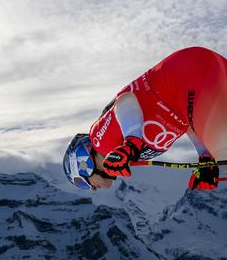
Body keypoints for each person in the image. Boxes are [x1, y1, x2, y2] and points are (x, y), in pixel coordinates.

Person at [64, 46, 227, 191]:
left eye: (81, 183)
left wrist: (131, 144)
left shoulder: (102, 142)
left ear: (83, 164)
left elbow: (125, 101)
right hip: (201, 74)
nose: (92, 189)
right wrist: (205, 155)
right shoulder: (125, 156)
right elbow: (185, 120)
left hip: (186, 75)